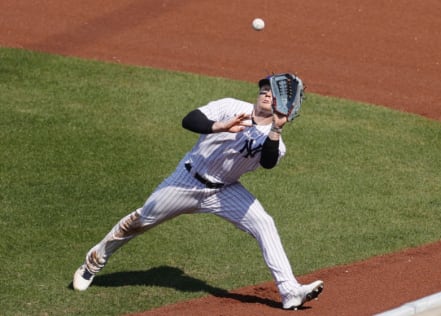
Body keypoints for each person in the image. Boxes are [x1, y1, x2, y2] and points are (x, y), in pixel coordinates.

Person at [72, 75, 323, 310]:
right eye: (264, 90)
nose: (266, 94)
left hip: (224, 191)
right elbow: (189, 119)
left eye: (273, 93)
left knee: (264, 223)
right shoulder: (231, 106)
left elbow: (268, 161)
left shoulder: (274, 141)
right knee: (141, 220)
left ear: (285, 106)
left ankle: (290, 291)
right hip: (186, 181)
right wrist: (220, 126)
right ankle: (94, 261)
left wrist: (276, 129)